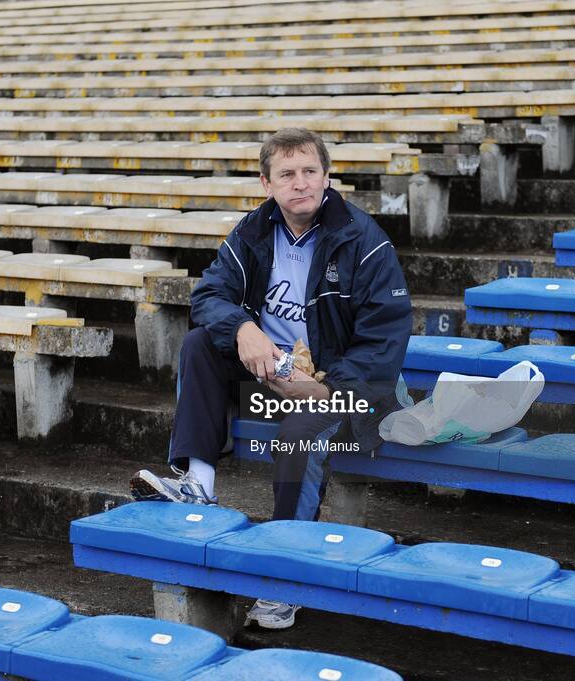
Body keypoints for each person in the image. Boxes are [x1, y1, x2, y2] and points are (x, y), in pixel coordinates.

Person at [130, 127, 412, 629]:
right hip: (270, 373)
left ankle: (284, 574)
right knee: (199, 343)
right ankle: (198, 481)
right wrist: (244, 329)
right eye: (286, 174)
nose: (299, 183)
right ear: (267, 183)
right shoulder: (254, 232)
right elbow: (209, 296)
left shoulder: (365, 242)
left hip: (343, 389)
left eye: (309, 171)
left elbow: (385, 340)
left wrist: (327, 389)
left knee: (301, 430)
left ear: (327, 177)